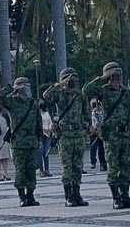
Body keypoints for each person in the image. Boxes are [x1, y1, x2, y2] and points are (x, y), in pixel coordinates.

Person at [84, 62, 130, 210]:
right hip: (112, 135)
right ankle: (116, 197)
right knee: (113, 167)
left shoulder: (127, 92)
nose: (116, 78)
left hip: (125, 133)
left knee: (126, 166)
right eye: (114, 75)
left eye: (118, 74)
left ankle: (125, 196)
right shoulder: (103, 91)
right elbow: (86, 90)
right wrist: (102, 78)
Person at [43, 68, 90, 207]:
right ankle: (68, 195)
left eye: (75, 79)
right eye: (70, 79)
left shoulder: (80, 96)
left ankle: (77, 193)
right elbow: (46, 96)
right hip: (64, 136)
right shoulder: (59, 94)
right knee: (67, 167)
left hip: (78, 135)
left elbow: (86, 114)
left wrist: (84, 127)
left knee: (77, 166)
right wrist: (60, 84)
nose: (73, 82)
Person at [0, 78, 42, 207]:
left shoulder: (33, 103)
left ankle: (31, 195)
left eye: (28, 88)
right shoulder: (12, 102)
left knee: (31, 169)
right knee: (20, 170)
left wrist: (39, 139)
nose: (27, 91)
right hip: (18, 142)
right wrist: (11, 88)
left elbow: (38, 122)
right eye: (24, 88)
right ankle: (22, 196)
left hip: (32, 141)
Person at [89, 99, 107, 171]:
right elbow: (95, 121)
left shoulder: (104, 110)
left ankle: (105, 163)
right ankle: (102, 163)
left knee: (104, 148)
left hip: (104, 131)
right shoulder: (95, 111)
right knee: (99, 148)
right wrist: (97, 128)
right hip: (97, 132)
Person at [36, 101, 52, 177]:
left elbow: (50, 122)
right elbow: (36, 124)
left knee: (46, 152)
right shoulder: (37, 114)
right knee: (40, 152)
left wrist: (49, 129)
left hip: (47, 135)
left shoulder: (47, 113)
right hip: (40, 134)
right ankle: (41, 170)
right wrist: (42, 129)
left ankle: (47, 169)